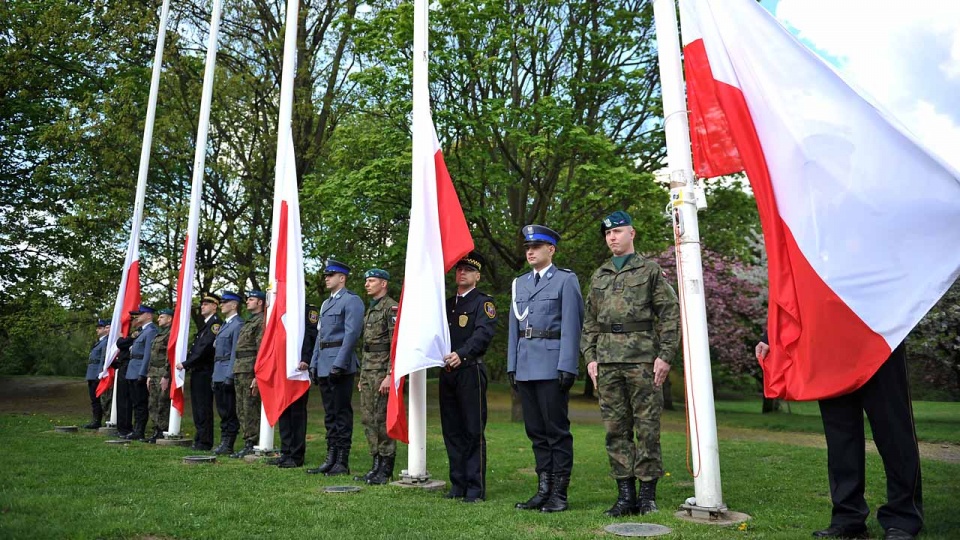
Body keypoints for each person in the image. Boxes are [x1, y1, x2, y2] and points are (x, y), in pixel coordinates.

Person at [756, 335, 923, 540]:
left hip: (880, 337)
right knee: (840, 440)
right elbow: (799, 300)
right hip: (829, 346)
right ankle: (848, 518)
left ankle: (903, 519)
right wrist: (771, 335)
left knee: (894, 432)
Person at [581, 211, 681, 517]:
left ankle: (647, 495)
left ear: (632, 234)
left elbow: (669, 314)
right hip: (608, 362)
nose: (612, 237)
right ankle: (625, 496)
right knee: (615, 430)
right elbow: (589, 323)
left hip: (642, 361)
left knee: (647, 428)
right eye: (608, 234)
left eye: (618, 232)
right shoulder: (599, 275)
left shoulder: (650, 271)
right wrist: (591, 358)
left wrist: (665, 356)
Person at [508, 225, 584, 513]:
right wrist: (511, 365)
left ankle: (559, 494)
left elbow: (571, 326)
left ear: (551, 249)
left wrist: (567, 365)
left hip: (552, 366)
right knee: (536, 432)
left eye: (536, 247)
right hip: (525, 365)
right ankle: (543, 490)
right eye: (528, 247)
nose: (530, 251)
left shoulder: (565, 280)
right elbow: (514, 329)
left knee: (556, 432)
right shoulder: (520, 283)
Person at [441, 252, 497, 502]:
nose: (461, 273)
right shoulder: (447, 303)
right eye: (459, 269)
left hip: (469, 370)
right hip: (448, 372)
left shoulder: (483, 303)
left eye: (467, 270)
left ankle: (475, 488)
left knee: (472, 430)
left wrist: (461, 355)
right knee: (451, 430)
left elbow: (483, 334)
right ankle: (458, 484)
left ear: (477, 276)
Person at [306, 259, 364, 476]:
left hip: (340, 363)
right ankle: (330, 457)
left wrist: (339, 363)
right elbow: (320, 337)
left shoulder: (352, 301)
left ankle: (342, 460)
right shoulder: (325, 304)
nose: (327, 279)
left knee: (341, 413)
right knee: (330, 414)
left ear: (342, 278)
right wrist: (313, 363)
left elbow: (351, 335)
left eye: (331, 275)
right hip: (323, 363)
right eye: (326, 275)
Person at [356, 268, 399, 485]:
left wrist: (390, 375)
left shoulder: (390, 308)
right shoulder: (371, 309)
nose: (367, 284)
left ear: (383, 283)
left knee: (382, 420)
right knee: (368, 418)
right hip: (368, 372)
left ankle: (386, 467)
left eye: (371, 280)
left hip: (382, 372)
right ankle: (375, 464)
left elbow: (395, 343)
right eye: (366, 281)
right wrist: (362, 375)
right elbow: (367, 347)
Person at [272, 302, 319, 468]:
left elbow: (311, 335)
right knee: (284, 409)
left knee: (297, 412)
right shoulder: (285, 309)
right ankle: (286, 451)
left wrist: (306, 358)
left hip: (299, 367)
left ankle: (296, 454)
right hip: (283, 366)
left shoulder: (307, 310)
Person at [176, 294, 222, 451]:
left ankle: (205, 441)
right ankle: (200, 437)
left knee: (203, 407)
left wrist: (186, 363)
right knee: (197, 407)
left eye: (207, 304)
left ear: (215, 306)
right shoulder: (206, 325)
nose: (203, 306)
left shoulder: (214, 325)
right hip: (198, 371)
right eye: (202, 304)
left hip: (205, 371)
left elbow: (204, 349)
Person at [231, 290, 266, 458]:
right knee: (241, 407)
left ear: (260, 302)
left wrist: (257, 375)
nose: (247, 302)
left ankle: (252, 441)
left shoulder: (261, 322)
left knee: (249, 407)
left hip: (250, 370)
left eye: (251, 299)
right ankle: (247, 440)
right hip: (240, 369)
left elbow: (261, 350)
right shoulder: (249, 321)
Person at [212, 292, 243, 455]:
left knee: (229, 410)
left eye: (225, 302)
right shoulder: (225, 324)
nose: (221, 305)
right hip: (218, 371)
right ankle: (224, 440)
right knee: (222, 410)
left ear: (234, 305)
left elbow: (234, 352)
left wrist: (230, 374)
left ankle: (228, 442)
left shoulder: (237, 324)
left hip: (226, 371)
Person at [124, 305, 158, 441]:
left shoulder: (150, 331)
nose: (137, 316)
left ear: (149, 315)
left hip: (139, 369)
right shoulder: (142, 331)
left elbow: (147, 354)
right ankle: (136, 428)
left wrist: (143, 373)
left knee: (140, 403)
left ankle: (140, 430)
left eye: (141, 313)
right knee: (135, 402)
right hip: (133, 369)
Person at [145, 308, 173, 443]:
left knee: (162, 403)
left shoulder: (171, 335)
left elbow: (169, 356)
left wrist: (166, 375)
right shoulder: (160, 334)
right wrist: (149, 374)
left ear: (169, 319)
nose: (158, 319)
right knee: (153, 402)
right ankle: (156, 429)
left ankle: (162, 429)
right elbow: (152, 356)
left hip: (162, 373)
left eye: (162, 317)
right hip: (154, 372)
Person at [83, 319, 111, 429]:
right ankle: (95, 419)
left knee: (99, 399)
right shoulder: (99, 341)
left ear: (105, 329)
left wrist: (100, 373)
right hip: (92, 373)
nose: (97, 330)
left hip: (97, 374)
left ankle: (97, 420)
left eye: (100, 328)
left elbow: (102, 359)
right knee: (94, 399)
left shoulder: (106, 341)